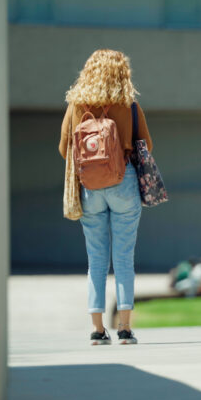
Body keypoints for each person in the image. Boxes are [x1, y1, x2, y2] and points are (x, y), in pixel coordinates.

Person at [59, 49, 152, 345]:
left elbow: (64, 149)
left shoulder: (76, 106)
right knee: (124, 257)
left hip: (90, 188)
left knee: (96, 258)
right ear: (122, 73)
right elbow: (146, 145)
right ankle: (124, 328)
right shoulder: (130, 106)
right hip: (123, 182)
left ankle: (98, 330)